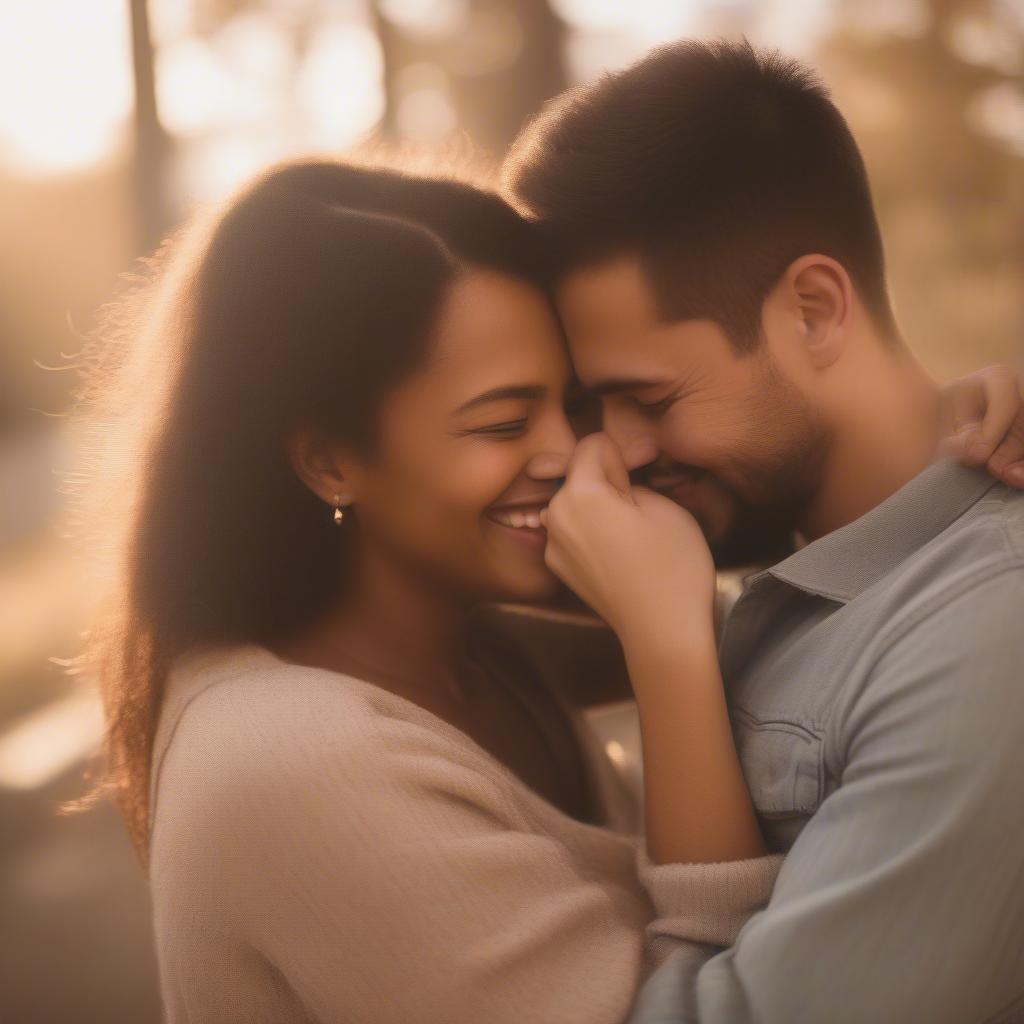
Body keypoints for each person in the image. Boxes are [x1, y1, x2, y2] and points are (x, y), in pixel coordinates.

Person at [78, 159, 792, 1024]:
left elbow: (773, 612)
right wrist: (666, 646)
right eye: (501, 422)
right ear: (328, 460)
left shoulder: (484, 643)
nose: (569, 453)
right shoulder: (297, 760)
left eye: (574, 405)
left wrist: (924, 437)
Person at [504, 38, 1024, 1023]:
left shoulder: (984, 638)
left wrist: (669, 653)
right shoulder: (783, 561)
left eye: (646, 394)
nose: (612, 451)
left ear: (815, 311)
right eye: (591, 403)